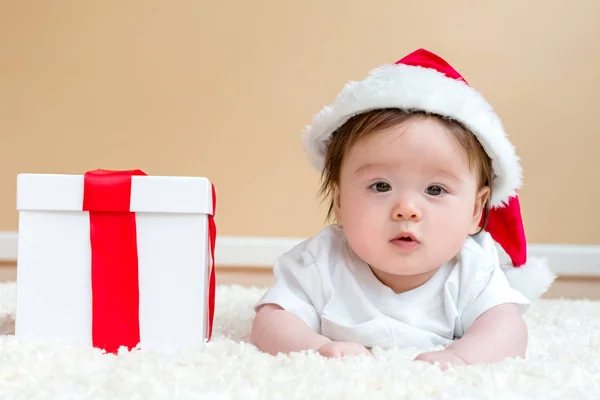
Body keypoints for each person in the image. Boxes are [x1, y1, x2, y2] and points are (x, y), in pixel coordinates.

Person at [250, 48, 556, 368]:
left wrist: (463, 357)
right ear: (340, 200)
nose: (406, 209)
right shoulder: (320, 261)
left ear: (476, 210)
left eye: (435, 190)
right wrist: (315, 346)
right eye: (381, 186)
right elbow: (272, 319)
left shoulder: (472, 270)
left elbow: (507, 328)